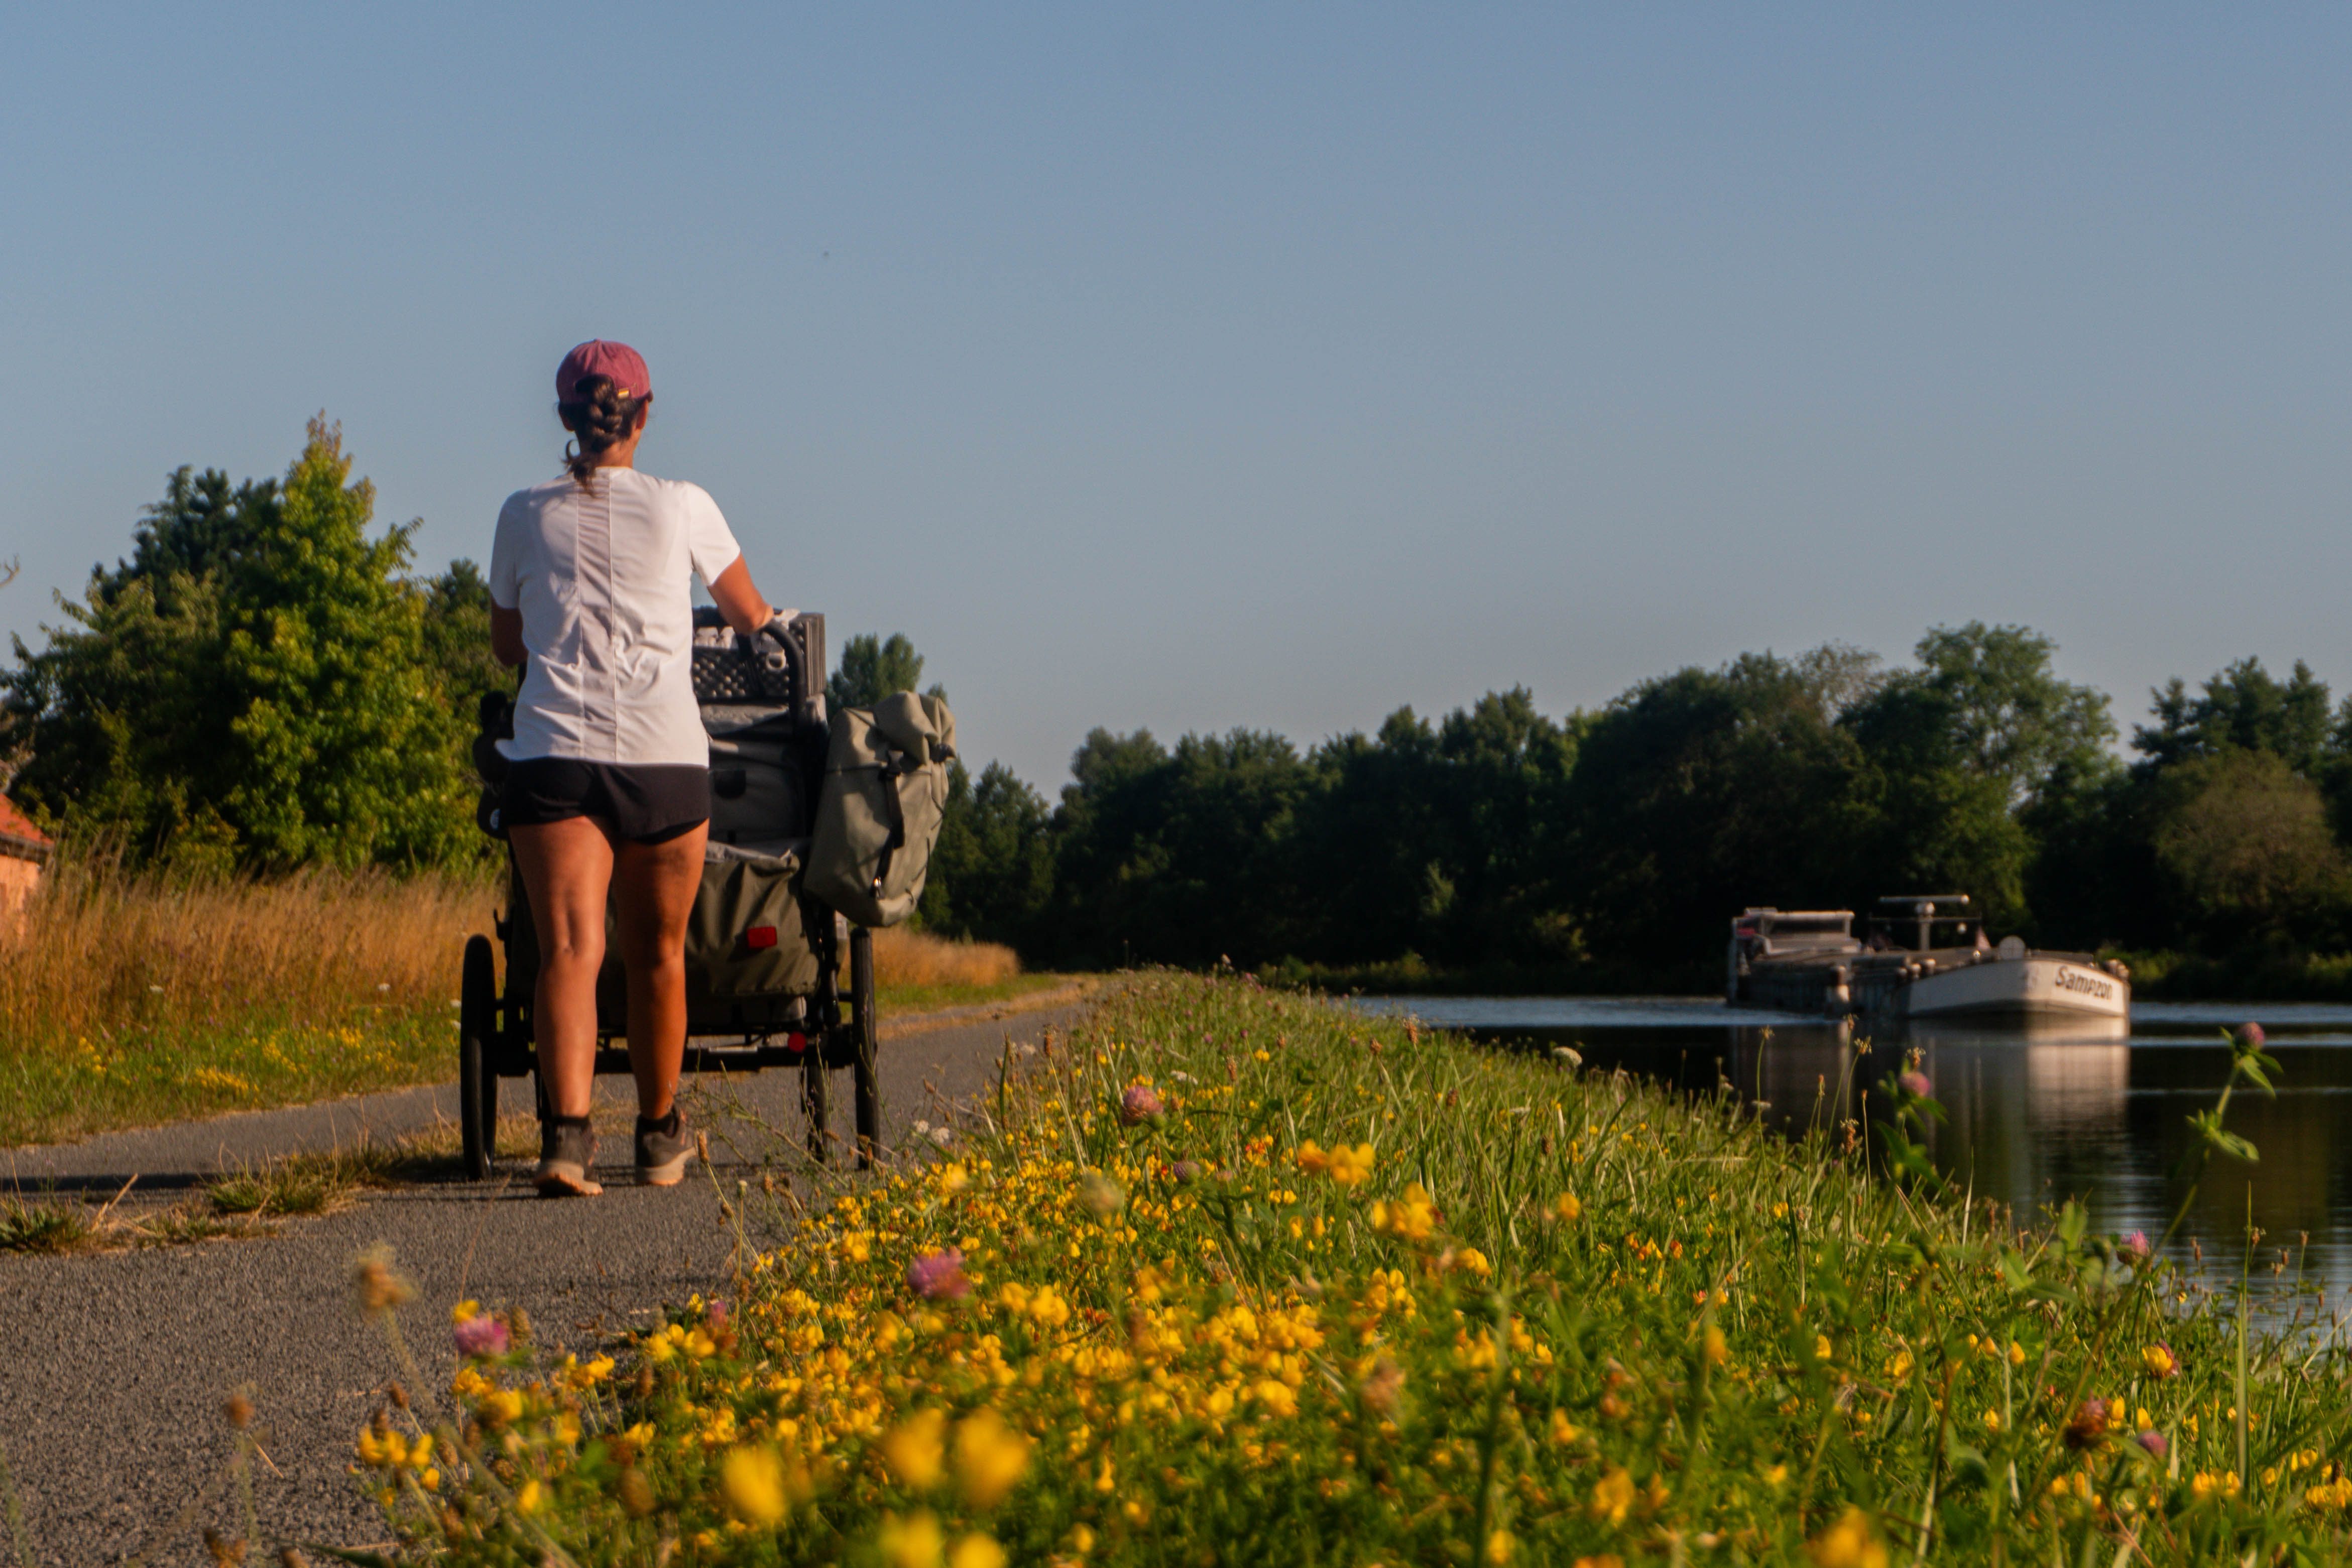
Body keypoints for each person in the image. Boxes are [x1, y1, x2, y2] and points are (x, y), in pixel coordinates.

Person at [488, 339, 776, 1196]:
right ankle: (658, 1137)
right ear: (643, 416)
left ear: (567, 423)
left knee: (570, 949)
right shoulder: (685, 505)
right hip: (662, 756)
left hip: (554, 756)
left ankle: (567, 1143)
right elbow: (750, 612)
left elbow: (508, 643)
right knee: (659, 954)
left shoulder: (521, 512)